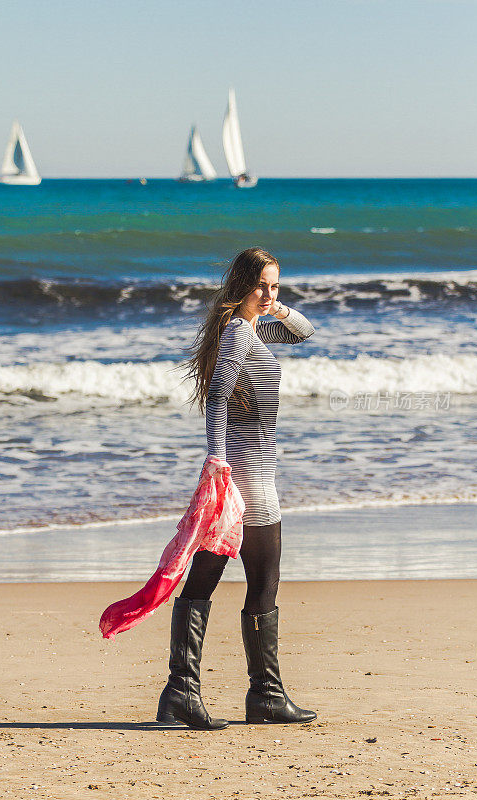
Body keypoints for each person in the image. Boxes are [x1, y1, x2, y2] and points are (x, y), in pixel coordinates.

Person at [156, 247, 317, 730]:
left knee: (211, 579)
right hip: (248, 480)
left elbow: (305, 332)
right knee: (262, 582)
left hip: (251, 475)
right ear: (242, 283)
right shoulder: (236, 335)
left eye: (276, 285)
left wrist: (274, 305)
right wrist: (217, 458)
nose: (269, 294)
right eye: (261, 285)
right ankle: (260, 695)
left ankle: (185, 692)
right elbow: (218, 397)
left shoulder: (251, 328)